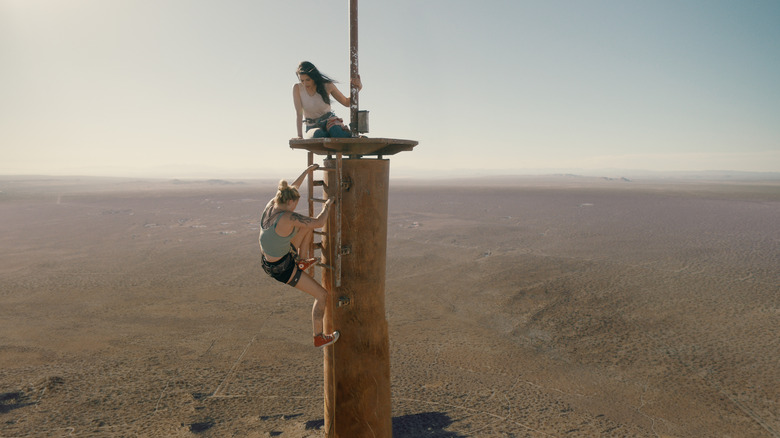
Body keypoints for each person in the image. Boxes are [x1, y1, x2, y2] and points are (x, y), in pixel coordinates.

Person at [259, 164, 339, 348]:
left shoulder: (271, 205)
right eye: (294, 204)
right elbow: (319, 222)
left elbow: (291, 188)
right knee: (322, 295)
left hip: (273, 259)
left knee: (305, 226)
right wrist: (327, 206)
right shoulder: (287, 217)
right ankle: (318, 336)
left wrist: (306, 172)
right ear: (289, 203)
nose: (295, 207)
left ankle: (301, 262)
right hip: (282, 269)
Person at [293, 61, 362, 139]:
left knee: (336, 132)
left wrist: (358, 89)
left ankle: (353, 137)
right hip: (312, 126)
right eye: (302, 80)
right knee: (317, 134)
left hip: (329, 121)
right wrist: (299, 135)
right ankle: (337, 136)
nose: (305, 83)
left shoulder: (327, 85)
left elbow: (346, 103)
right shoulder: (297, 88)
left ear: (314, 77)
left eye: (308, 80)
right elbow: (299, 113)